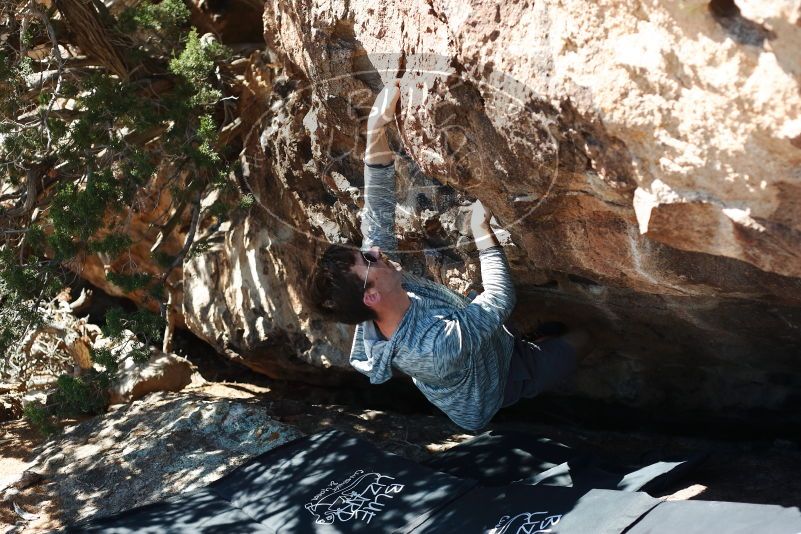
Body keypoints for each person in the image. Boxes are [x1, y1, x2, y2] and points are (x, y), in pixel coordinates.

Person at [308, 80, 588, 432]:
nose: (376, 252)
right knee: (581, 339)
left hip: (481, 341)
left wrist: (376, 127)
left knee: (510, 328)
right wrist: (481, 232)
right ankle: (539, 358)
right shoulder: (434, 349)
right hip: (500, 381)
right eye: (369, 259)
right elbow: (499, 299)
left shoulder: (380, 294)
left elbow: (378, 210)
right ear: (371, 294)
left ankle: (525, 338)